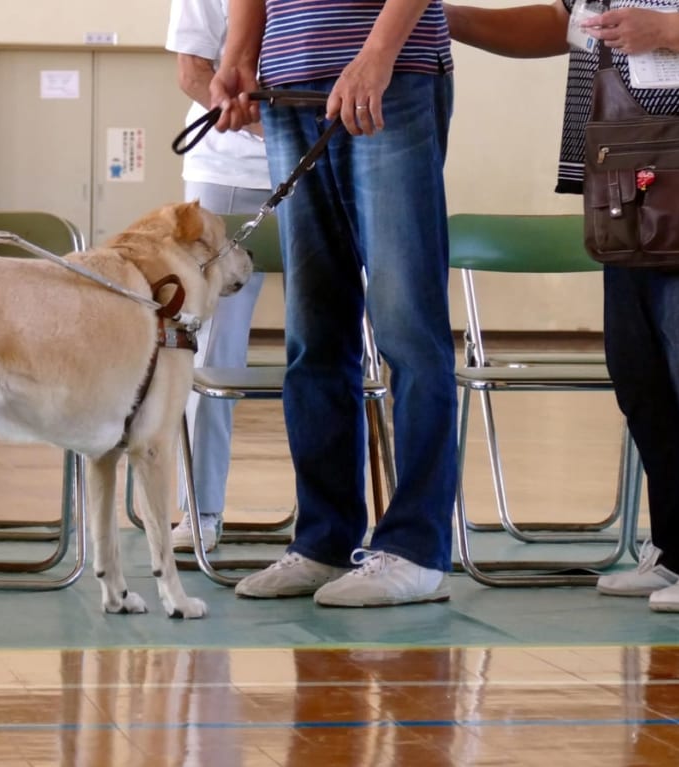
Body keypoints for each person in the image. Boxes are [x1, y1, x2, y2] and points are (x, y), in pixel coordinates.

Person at [446, 0, 679, 612]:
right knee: (641, 371)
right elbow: (564, 23)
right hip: (628, 163)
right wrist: (449, 19)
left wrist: (667, 29)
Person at [210, 0, 459, 607]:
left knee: (406, 328)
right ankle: (325, 541)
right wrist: (240, 54)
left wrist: (378, 53)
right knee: (314, 331)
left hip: (391, 73)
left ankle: (416, 549)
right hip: (289, 77)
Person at [165, 0, 273, 552]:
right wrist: (266, 124)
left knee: (336, 344)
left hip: (328, 164)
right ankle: (200, 510)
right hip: (228, 171)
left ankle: (333, 519)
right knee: (211, 352)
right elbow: (192, 70)